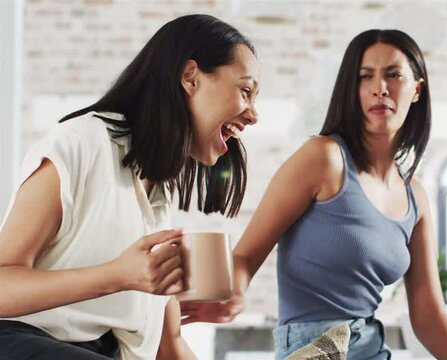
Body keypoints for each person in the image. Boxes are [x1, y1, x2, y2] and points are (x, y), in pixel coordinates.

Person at [180, 29, 447, 359]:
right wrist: (232, 290)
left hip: (371, 347)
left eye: (393, 74)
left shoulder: (415, 197)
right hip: (311, 347)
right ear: (352, 88)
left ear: (417, 89)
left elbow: (428, 313)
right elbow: (246, 256)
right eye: (365, 77)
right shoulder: (324, 158)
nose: (380, 88)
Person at [0, 14, 259, 360]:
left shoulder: (156, 194)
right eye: (245, 91)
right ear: (191, 77)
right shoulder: (81, 143)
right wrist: (116, 276)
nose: (253, 115)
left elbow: (171, 345)